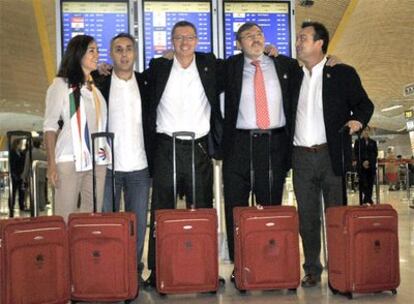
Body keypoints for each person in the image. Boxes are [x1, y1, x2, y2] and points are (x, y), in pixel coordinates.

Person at [291, 21, 374, 287]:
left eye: (303, 38)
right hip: (301, 156)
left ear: (319, 43)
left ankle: (340, 266)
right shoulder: (292, 76)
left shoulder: (342, 73)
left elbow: (364, 104)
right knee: (307, 217)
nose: (298, 42)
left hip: (332, 155)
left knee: (336, 215)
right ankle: (313, 269)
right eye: (297, 38)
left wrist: (357, 121)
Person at [143, 20, 223, 287]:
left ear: (197, 41)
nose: (184, 42)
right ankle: (157, 271)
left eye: (189, 37)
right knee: (162, 211)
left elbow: (240, 68)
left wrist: (269, 52)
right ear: (171, 41)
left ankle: (205, 269)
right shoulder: (159, 66)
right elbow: (133, 80)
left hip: (198, 148)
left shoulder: (209, 64)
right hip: (166, 147)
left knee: (202, 209)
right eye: (178, 38)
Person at [221, 22, 298, 281]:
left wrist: (333, 59)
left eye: (259, 35)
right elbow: (199, 66)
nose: (255, 39)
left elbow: (313, 71)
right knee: (236, 207)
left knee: (271, 206)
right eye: (248, 36)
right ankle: (240, 265)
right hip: (239, 145)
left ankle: (269, 263)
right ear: (238, 43)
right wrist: (167, 57)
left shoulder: (284, 65)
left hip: (274, 144)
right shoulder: (229, 67)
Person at [92, 33, 151, 282]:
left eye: (128, 49)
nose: (124, 54)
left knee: (137, 227)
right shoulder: (99, 82)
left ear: (135, 53)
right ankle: (110, 272)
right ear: (111, 54)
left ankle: (133, 271)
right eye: (118, 49)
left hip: (140, 168)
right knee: (109, 224)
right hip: (108, 168)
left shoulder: (148, 82)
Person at [43, 34, 109, 220]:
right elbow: (49, 126)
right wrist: (51, 165)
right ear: (78, 54)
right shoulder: (61, 85)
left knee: (91, 216)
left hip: (97, 160)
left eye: (97, 50)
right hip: (69, 159)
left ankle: (86, 250)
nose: (97, 54)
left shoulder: (93, 88)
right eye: (91, 50)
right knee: (65, 217)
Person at [22, 137, 48, 211]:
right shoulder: (43, 153)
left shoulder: (30, 153)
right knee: (41, 191)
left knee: (34, 191)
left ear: (33, 144)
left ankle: (34, 206)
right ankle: (42, 206)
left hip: (33, 175)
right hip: (42, 175)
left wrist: (24, 175)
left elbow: (27, 165)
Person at [353, 126, 378, 204]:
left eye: (367, 130)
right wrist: (363, 162)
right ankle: (367, 198)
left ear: (369, 132)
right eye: (364, 130)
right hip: (361, 166)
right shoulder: (358, 142)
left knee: (370, 183)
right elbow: (356, 154)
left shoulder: (373, 142)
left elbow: (375, 154)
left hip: (371, 166)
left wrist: (369, 161)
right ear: (361, 132)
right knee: (363, 183)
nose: (366, 132)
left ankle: (367, 199)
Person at [9, 138, 27, 217]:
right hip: (14, 175)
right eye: (21, 143)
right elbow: (11, 164)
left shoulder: (21, 152)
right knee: (13, 191)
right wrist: (14, 174)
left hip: (21, 175)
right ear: (17, 144)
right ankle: (11, 206)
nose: (21, 145)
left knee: (21, 192)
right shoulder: (12, 153)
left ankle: (21, 206)